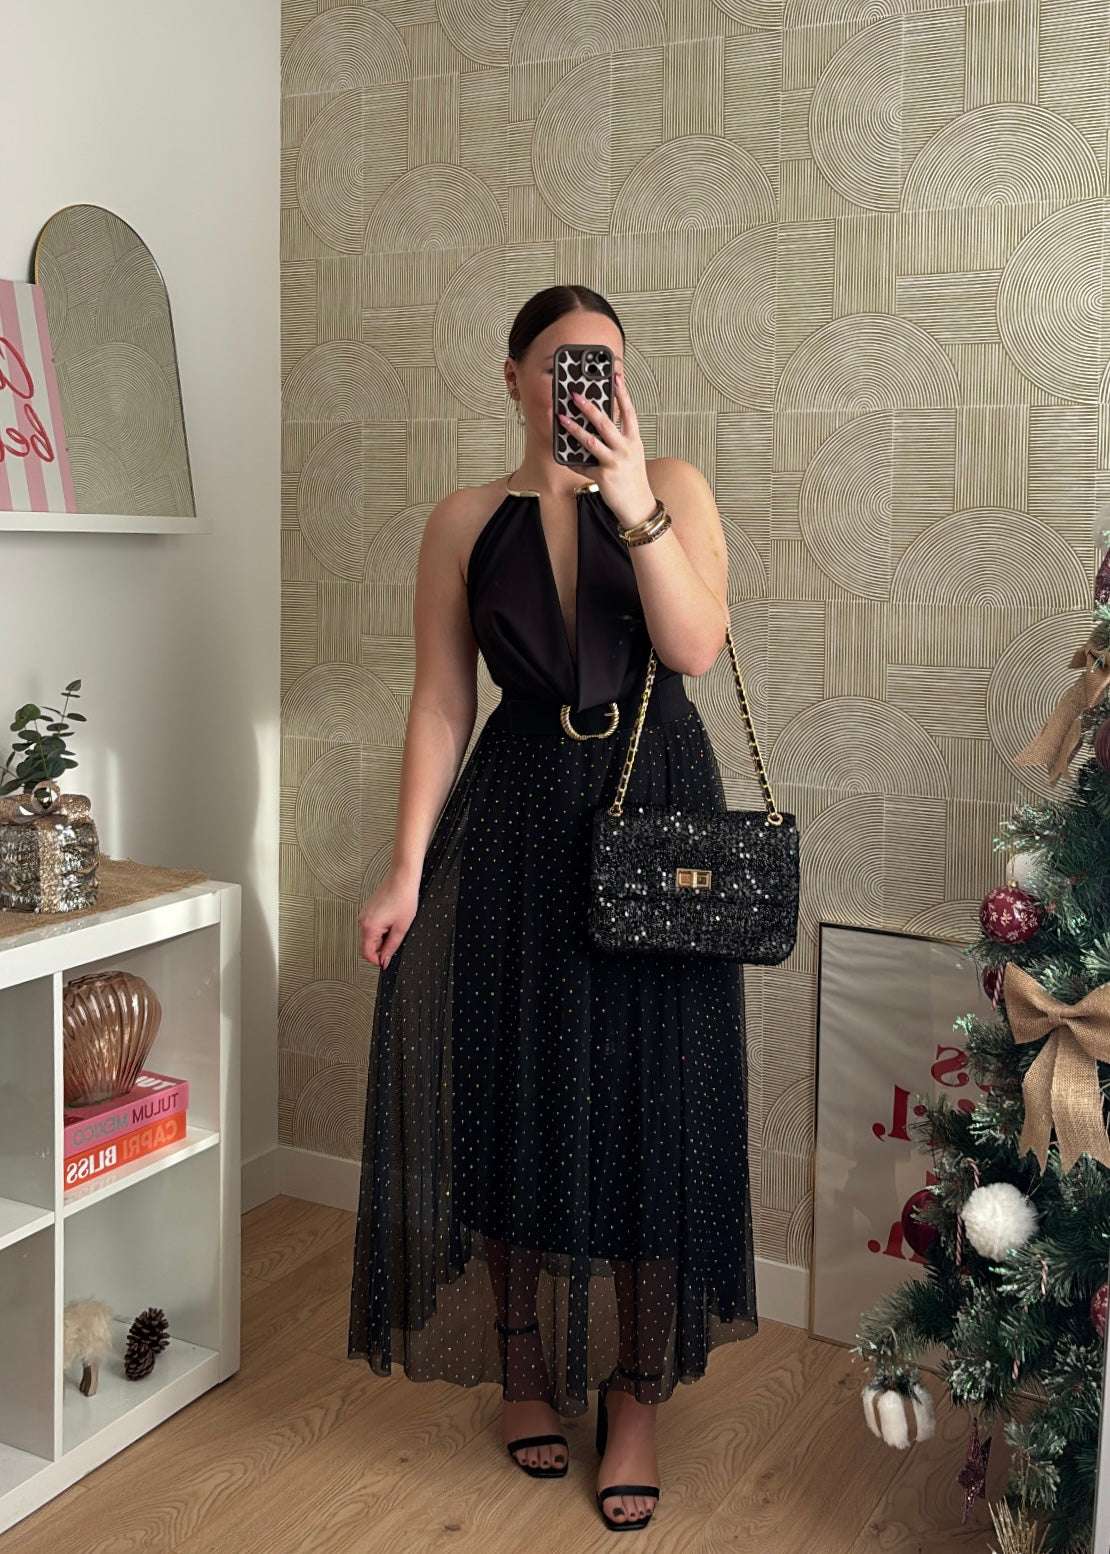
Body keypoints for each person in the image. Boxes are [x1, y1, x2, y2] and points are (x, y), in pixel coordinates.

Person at [349, 285, 757, 1533]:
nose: (589, 382)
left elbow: (694, 647)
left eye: (609, 364)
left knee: (650, 1096)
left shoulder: (672, 485)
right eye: (566, 362)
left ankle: (636, 1391)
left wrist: (630, 498)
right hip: (519, 814)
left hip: (654, 806)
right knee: (516, 1084)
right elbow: (440, 701)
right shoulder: (465, 521)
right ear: (515, 376)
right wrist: (406, 866)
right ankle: (522, 1355)